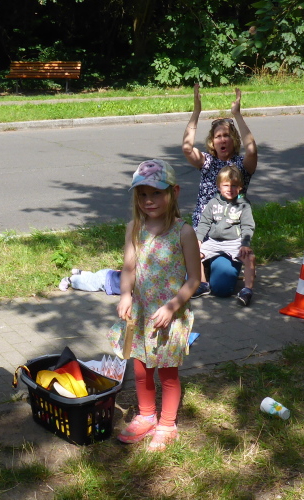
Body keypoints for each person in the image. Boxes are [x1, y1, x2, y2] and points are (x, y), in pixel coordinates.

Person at [107, 159, 201, 451]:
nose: (149, 200)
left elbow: (194, 279)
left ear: (174, 192)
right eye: (143, 194)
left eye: (156, 193)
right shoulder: (134, 229)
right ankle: (147, 415)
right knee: (140, 368)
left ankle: (168, 423)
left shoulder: (183, 232)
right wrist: (125, 295)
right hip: (140, 314)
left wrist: (172, 307)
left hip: (168, 316)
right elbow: (128, 268)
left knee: (168, 373)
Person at [182, 84, 258, 229]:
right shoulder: (207, 161)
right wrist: (196, 111)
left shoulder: (241, 164)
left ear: (234, 140)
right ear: (212, 142)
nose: (222, 140)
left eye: (227, 136)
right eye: (218, 136)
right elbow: (187, 148)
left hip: (232, 229)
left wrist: (237, 114)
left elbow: (252, 150)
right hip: (204, 228)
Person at [194, 165, 256, 306]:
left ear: (240, 187)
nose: (230, 189)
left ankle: (247, 290)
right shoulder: (213, 203)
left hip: (234, 242)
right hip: (214, 241)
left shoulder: (244, 205)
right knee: (194, 255)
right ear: (218, 186)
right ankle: (203, 284)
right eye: (226, 185)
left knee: (250, 258)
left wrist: (245, 244)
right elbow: (204, 222)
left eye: (234, 185)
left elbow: (248, 226)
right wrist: (198, 239)